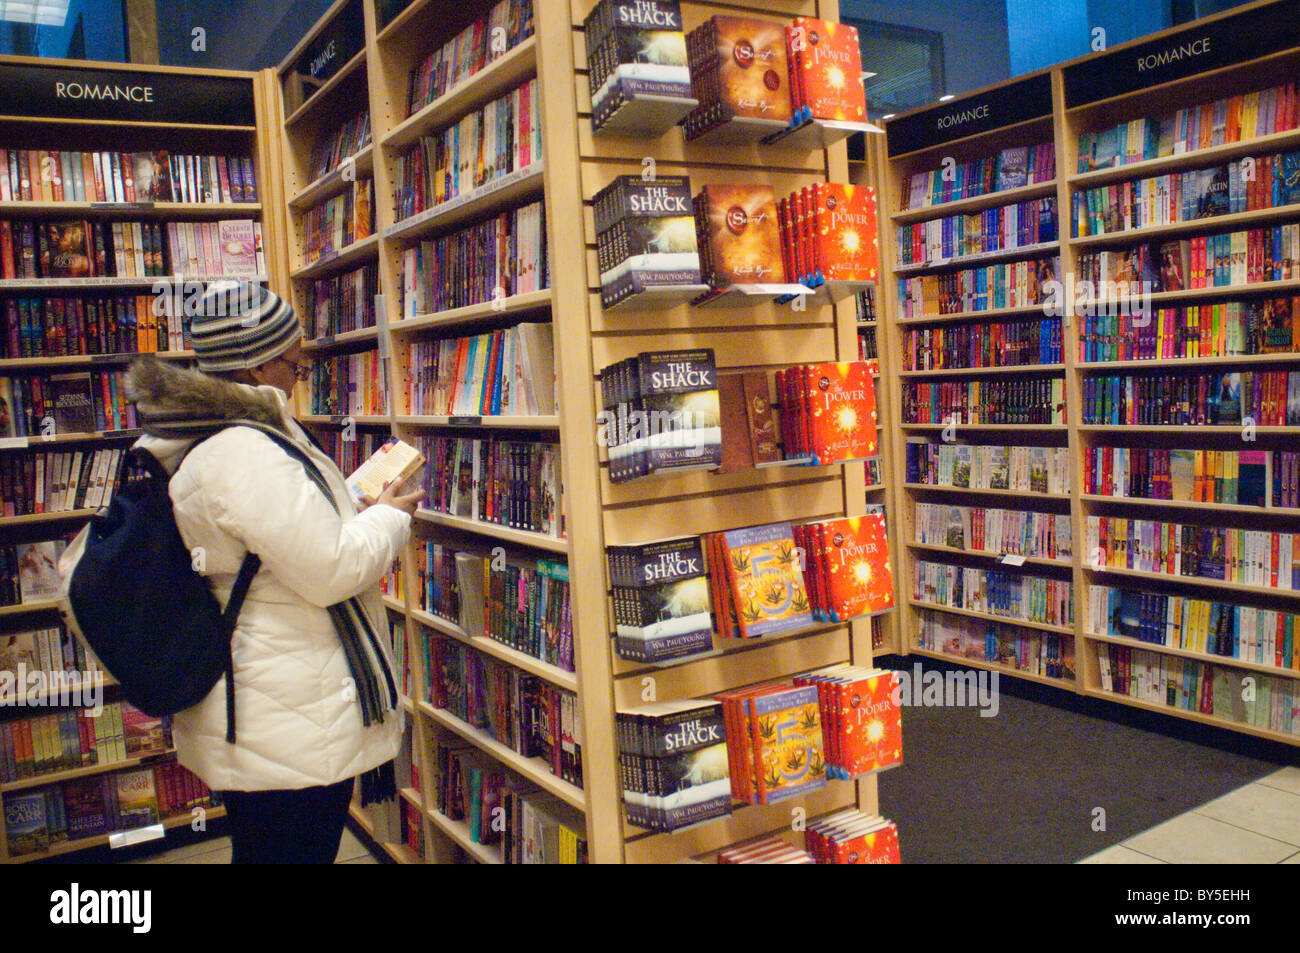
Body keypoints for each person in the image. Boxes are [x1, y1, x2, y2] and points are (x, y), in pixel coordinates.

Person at [124, 282, 423, 864]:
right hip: (283, 714)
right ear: (258, 361)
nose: (299, 373)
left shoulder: (225, 434)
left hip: (276, 702)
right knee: (290, 851)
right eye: (295, 361)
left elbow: (282, 545)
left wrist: (348, 514)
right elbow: (331, 568)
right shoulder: (242, 450)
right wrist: (389, 518)